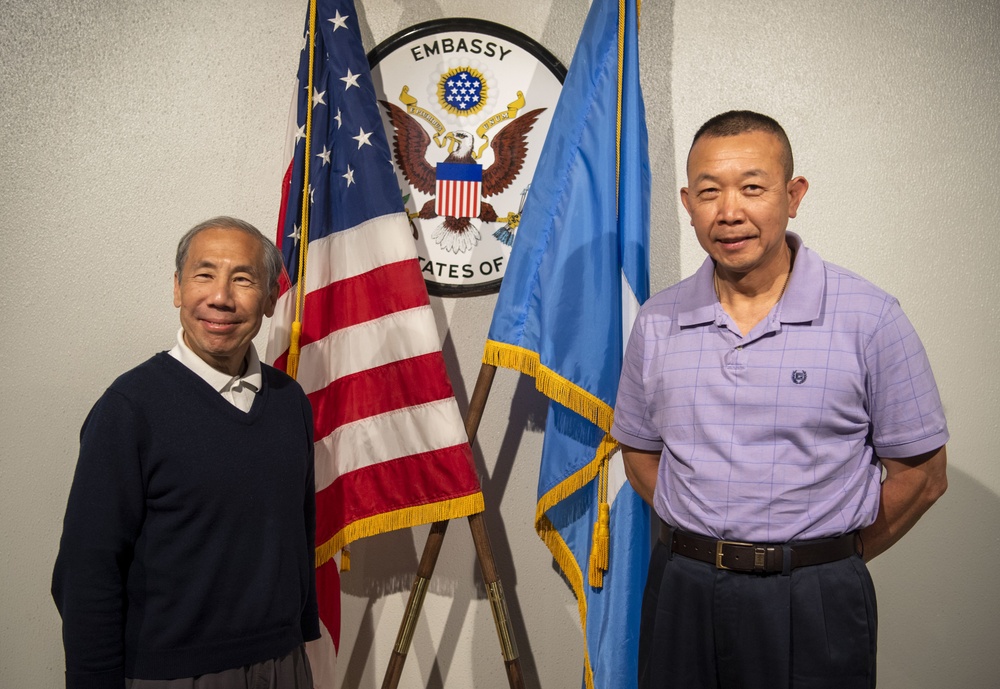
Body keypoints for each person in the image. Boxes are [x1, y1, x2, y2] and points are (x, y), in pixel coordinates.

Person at [611, 111, 948, 689]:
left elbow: (922, 475)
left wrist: (829, 561)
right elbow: (640, 452)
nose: (730, 211)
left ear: (794, 196)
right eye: (710, 192)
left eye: (752, 187)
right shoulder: (658, 320)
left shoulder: (869, 317)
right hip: (682, 588)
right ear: (688, 203)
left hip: (814, 596)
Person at [52, 217, 319, 689]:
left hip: (283, 664)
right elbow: (87, 571)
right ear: (177, 288)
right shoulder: (129, 409)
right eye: (204, 274)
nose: (221, 297)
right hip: (171, 674)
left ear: (271, 299)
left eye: (243, 278)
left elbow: (296, 532)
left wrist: (294, 638)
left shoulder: (289, 402)